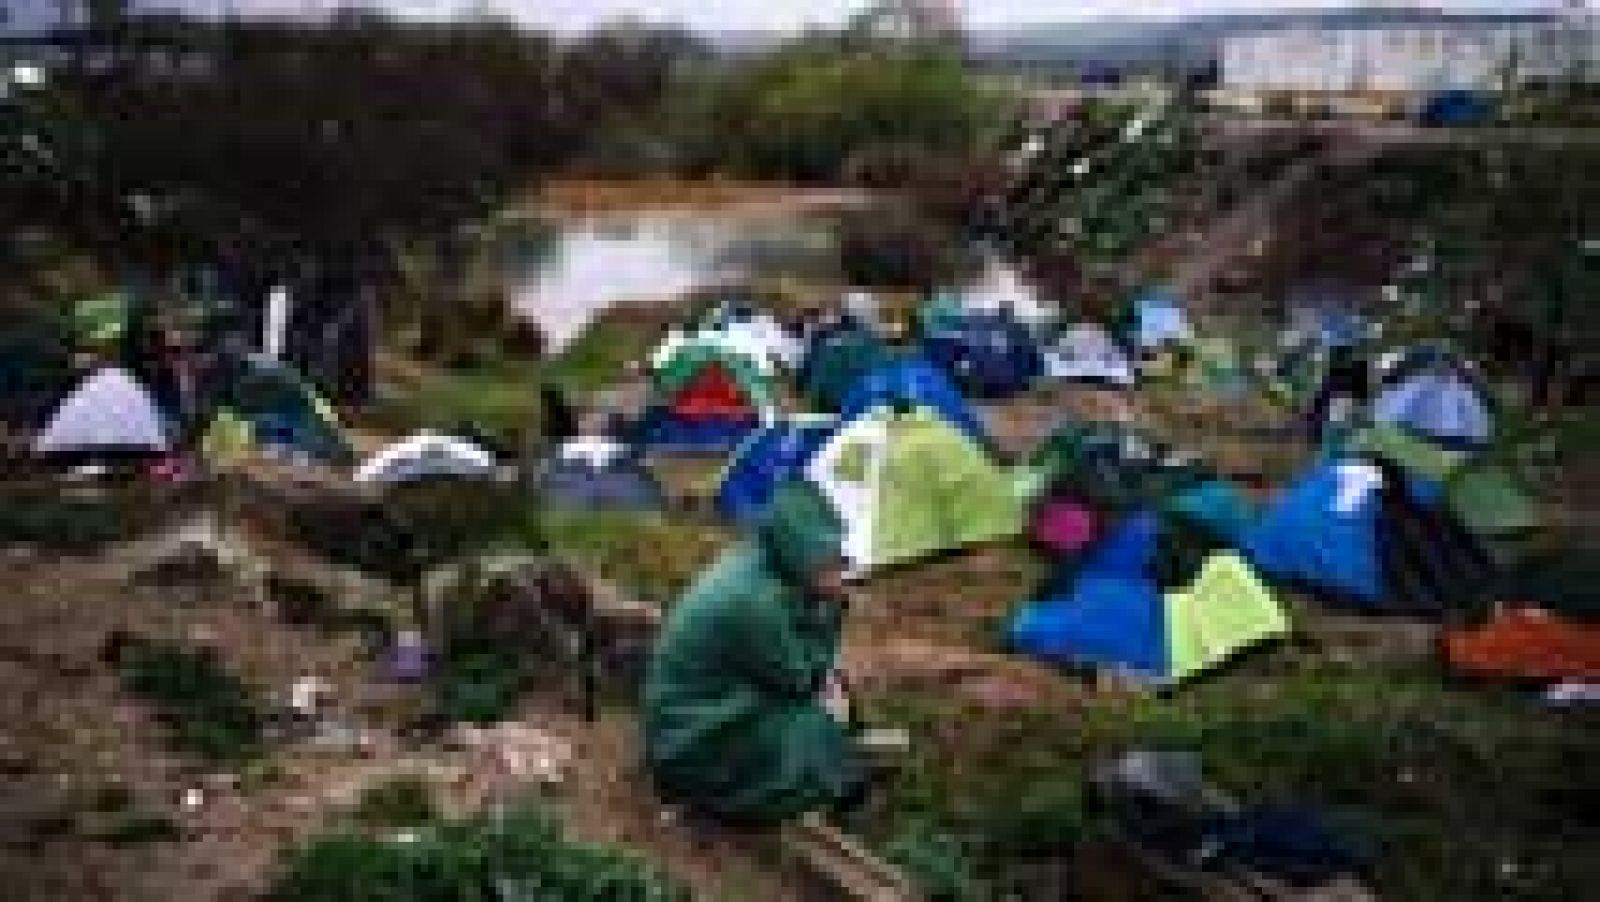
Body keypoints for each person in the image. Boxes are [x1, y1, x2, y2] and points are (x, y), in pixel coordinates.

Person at [643, 481, 865, 826]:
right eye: (829, 562)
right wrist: (835, 611)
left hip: (685, 718)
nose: (840, 571)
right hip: (687, 744)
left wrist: (821, 603)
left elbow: (795, 637)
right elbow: (801, 681)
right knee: (822, 728)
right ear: (799, 552)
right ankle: (728, 801)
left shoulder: (756, 564)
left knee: (832, 702)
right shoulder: (756, 602)